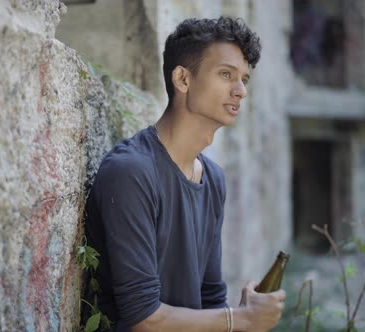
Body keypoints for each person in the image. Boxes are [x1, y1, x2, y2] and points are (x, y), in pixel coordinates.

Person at [84, 16, 286, 332]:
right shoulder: (131, 172)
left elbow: (210, 297)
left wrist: (239, 315)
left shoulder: (213, 179)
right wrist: (241, 319)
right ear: (183, 79)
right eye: (226, 74)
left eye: (244, 78)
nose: (241, 91)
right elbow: (143, 318)